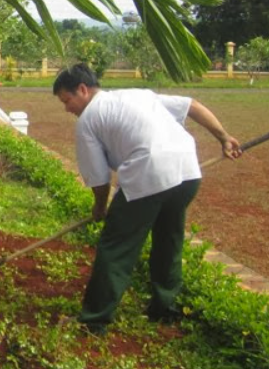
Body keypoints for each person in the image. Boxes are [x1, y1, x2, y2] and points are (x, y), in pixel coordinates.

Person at [53, 63, 242, 335]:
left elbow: (99, 177)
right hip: (187, 172)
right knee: (169, 239)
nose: (67, 108)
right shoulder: (138, 94)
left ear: (82, 90)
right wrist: (224, 137)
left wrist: (99, 208)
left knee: (116, 248)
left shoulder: (88, 120)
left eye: (67, 100)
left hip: (149, 174)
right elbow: (192, 105)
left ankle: (94, 320)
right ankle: (165, 310)